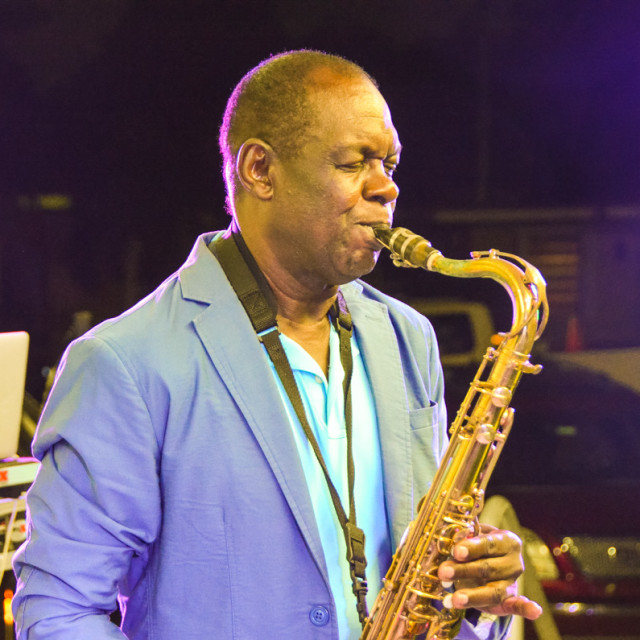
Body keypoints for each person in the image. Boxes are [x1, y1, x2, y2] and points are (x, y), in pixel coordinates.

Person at [12, 50, 542, 639]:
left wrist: (473, 596)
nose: (386, 186)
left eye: (389, 162)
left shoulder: (407, 337)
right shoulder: (124, 363)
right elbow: (57, 613)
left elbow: (428, 579)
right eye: (354, 163)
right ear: (260, 169)